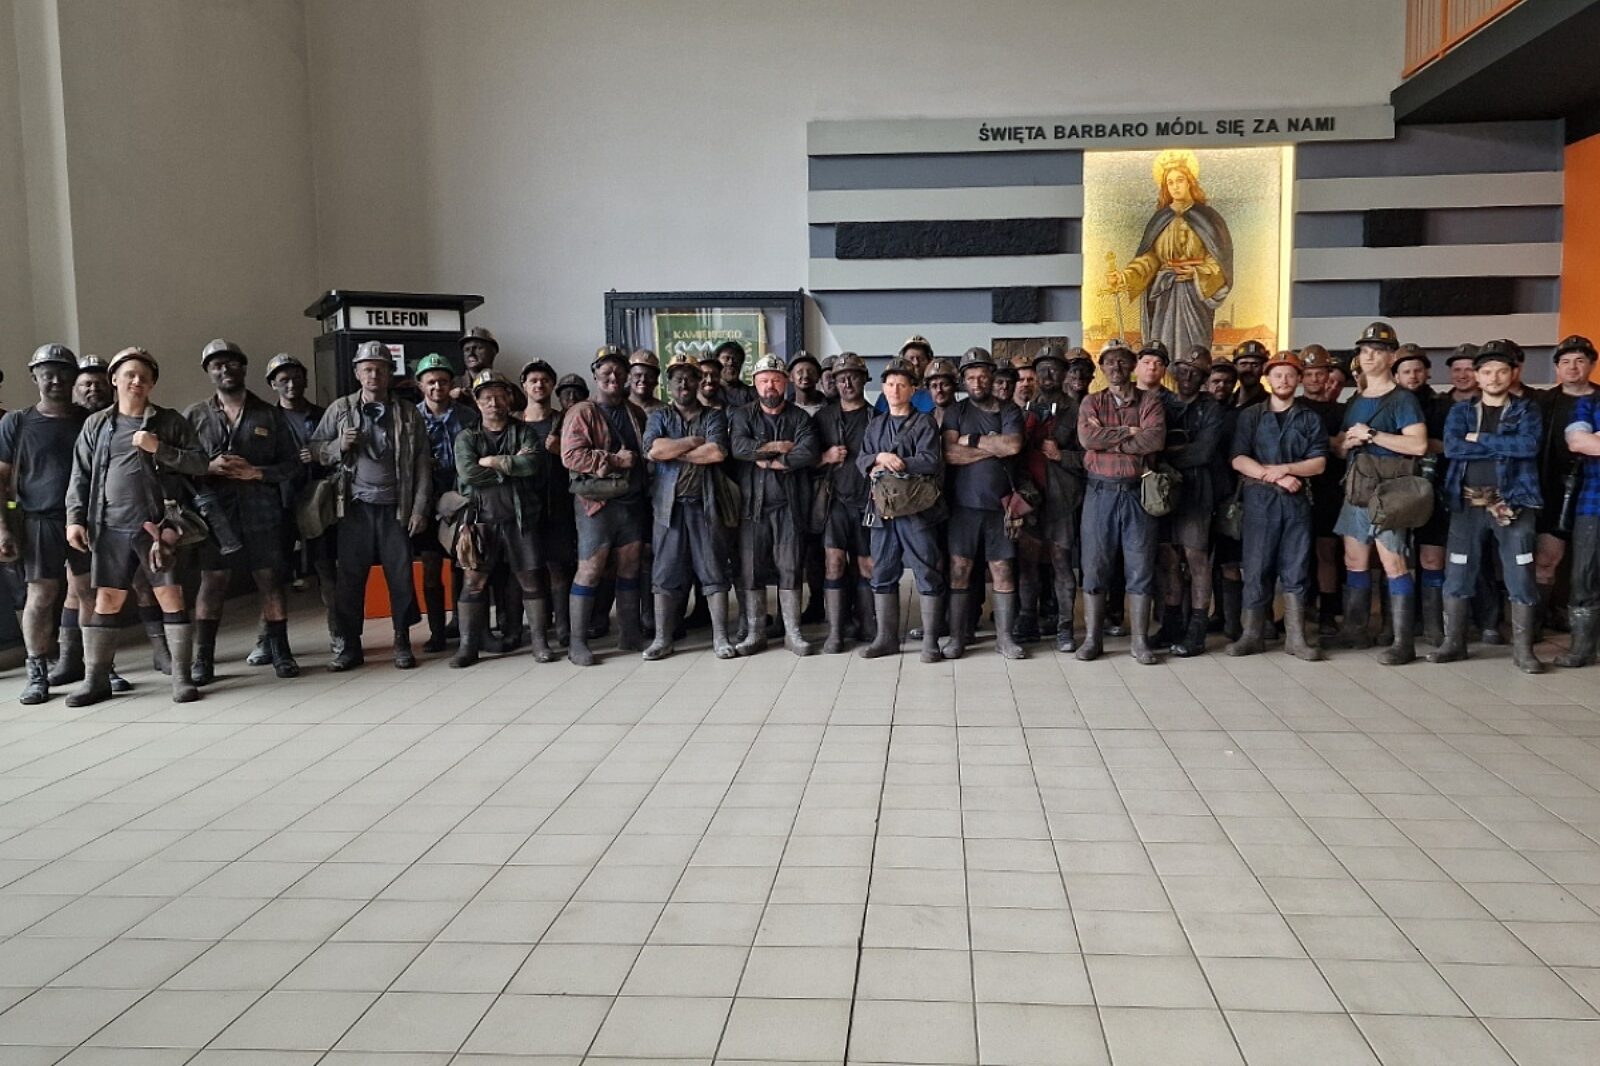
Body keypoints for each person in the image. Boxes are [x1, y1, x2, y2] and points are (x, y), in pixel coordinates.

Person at [64, 347, 210, 704]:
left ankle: (181, 678)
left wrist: (159, 448)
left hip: (157, 527)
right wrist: (74, 519)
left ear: (152, 384)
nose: (137, 381)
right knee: (107, 599)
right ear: (114, 379)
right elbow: (80, 474)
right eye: (129, 374)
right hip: (109, 526)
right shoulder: (97, 424)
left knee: (170, 595)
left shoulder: (169, 421)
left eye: (144, 377)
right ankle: (96, 679)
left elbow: (199, 463)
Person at [184, 339, 303, 683]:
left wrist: (258, 473)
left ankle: (280, 651)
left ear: (243, 367)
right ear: (208, 372)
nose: (225, 370)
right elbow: (178, 464)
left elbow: (292, 464)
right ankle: (203, 659)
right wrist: (208, 467)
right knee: (213, 582)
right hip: (216, 515)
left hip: (261, 511)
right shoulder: (194, 416)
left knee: (270, 580)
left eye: (231, 363)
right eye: (217, 365)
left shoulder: (269, 414)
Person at [311, 340, 432, 671]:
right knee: (350, 580)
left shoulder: (407, 413)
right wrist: (338, 445)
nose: (373, 375)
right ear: (357, 373)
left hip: (396, 508)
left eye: (380, 369)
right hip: (354, 508)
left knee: (400, 577)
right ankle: (350, 645)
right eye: (367, 369)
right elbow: (315, 449)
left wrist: (419, 508)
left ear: (390, 373)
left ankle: (402, 641)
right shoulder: (340, 409)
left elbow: (423, 463)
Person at [1425, 341, 1544, 672]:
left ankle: (1524, 651)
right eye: (1487, 371)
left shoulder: (1527, 409)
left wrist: (1478, 438)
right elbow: (1453, 448)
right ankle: (1454, 643)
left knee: (1521, 574)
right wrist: (1502, 445)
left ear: (1513, 373)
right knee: (1458, 572)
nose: (1494, 378)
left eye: (1501, 371)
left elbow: (1529, 446)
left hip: (1514, 503)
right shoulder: (1460, 412)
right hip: (1467, 503)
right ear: (1477, 376)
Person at [1332, 322, 1428, 664]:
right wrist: (1346, 443)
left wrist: (1372, 435)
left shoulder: (1403, 399)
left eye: (1377, 351)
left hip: (1390, 492)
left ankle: (1403, 642)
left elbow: (1418, 445)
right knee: (1354, 560)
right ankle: (1355, 630)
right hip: (1357, 488)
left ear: (1391, 357)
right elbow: (1340, 446)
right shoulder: (1356, 400)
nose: (1369, 357)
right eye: (1364, 351)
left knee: (1394, 563)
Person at [0, 344, 89, 703]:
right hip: (39, 521)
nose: (55, 380)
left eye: (63, 372)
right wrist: (3, 528)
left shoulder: (90, 420)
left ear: (74, 377)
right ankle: (37, 672)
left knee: (90, 593)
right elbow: (1, 479)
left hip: (86, 521)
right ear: (34, 377)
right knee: (40, 595)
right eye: (46, 373)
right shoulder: (16, 423)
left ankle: (99, 666)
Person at [1225, 351, 1328, 659]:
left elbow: (1319, 463)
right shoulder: (1251, 416)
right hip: (1259, 500)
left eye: (1290, 375)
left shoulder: (1309, 418)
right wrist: (1276, 477)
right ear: (1268, 378)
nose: (1284, 380)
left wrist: (1286, 469)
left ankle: (1296, 638)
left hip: (1297, 503)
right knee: (1256, 566)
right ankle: (1252, 635)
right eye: (1278, 374)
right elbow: (1238, 458)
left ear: (1299, 379)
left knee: (1296, 568)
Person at [448, 370, 554, 666]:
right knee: (473, 583)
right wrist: (510, 468)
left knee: (531, 580)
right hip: (480, 521)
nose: (493, 402)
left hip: (521, 519)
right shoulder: (466, 436)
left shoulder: (525, 432)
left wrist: (494, 462)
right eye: (486, 397)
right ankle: (467, 647)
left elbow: (532, 464)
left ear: (509, 399)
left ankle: (540, 643)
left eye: (498, 396)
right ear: (477, 401)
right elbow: (468, 473)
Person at [56, 355, 143, 692]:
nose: (93, 389)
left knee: (105, 591)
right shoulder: (66, 419)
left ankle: (102, 667)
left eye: (99, 383)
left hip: (114, 518)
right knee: (78, 590)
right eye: (85, 384)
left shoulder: (120, 419)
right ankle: (74, 662)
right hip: (71, 516)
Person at [1076, 340, 1166, 663]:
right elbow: (1087, 438)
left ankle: (1139, 642)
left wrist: (1109, 439)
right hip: (1099, 492)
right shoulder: (1091, 401)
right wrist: (1130, 432)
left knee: (1140, 565)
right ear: (1102, 367)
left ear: (1133, 366)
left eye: (1123, 361)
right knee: (1095, 565)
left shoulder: (1149, 401)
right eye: (1110, 362)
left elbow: (1154, 439)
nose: (1116, 367)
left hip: (1136, 493)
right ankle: (1093, 639)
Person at [560, 344, 651, 666]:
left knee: (630, 566)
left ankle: (629, 634)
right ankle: (577, 643)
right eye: (606, 371)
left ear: (626, 375)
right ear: (595, 374)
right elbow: (570, 456)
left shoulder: (634, 412)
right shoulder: (582, 412)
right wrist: (613, 460)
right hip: (595, 505)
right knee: (590, 569)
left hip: (630, 502)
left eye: (618, 371)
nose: (613, 376)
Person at [641, 352, 735, 660]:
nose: (683, 384)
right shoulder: (659, 416)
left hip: (705, 505)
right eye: (677, 379)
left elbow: (716, 453)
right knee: (664, 574)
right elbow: (653, 450)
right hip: (667, 508)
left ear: (698, 382)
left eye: (689, 378)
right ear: (669, 384)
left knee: (714, 571)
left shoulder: (713, 416)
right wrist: (693, 443)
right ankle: (662, 639)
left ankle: (720, 638)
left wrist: (674, 451)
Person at [729, 354, 821, 656]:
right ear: (755, 384)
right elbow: (739, 448)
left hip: (789, 507)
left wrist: (769, 462)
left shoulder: (800, 418)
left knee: (790, 567)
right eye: (764, 380)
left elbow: (808, 451)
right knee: (751, 568)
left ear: (786, 383)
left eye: (776, 380)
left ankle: (793, 633)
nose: (770, 386)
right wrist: (778, 447)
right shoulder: (742, 415)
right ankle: (755, 633)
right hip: (752, 508)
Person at [858, 357, 946, 663]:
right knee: (882, 571)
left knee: (926, 571)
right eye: (890, 384)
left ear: (912, 390)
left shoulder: (924, 422)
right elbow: (861, 459)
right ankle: (886, 638)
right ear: (883, 388)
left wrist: (899, 462)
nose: (895, 390)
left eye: (902, 385)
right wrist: (878, 458)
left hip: (916, 510)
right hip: (882, 510)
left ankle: (931, 642)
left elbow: (931, 461)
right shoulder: (875, 424)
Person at [1104, 150, 1233, 358]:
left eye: (1179, 180)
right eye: (1170, 183)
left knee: (1195, 348)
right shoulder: (1160, 219)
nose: (1175, 186)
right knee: (1162, 346)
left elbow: (1219, 260)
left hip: (1195, 294)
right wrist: (1124, 277)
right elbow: (1150, 258)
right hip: (1165, 293)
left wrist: (1197, 273)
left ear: (1190, 182)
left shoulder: (1208, 218)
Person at [940, 347, 1026, 660]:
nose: (977, 382)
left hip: (1001, 506)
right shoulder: (956, 411)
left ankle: (1005, 638)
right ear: (963, 381)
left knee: (1002, 569)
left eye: (983, 376)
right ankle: (957, 637)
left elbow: (1013, 446)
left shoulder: (1009, 410)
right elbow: (949, 453)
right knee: (959, 569)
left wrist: (972, 440)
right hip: (962, 506)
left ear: (992, 377)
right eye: (971, 377)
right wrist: (993, 447)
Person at [263, 353, 337, 660]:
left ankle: (339, 634)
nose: (291, 385)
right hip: (278, 505)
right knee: (272, 575)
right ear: (273, 384)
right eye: (283, 380)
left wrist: (320, 455)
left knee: (327, 569)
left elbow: (339, 451)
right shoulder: (265, 418)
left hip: (317, 503)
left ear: (306, 379)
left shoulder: (324, 415)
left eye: (296, 378)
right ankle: (268, 640)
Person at [1154, 343, 1223, 656]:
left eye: (1195, 373)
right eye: (1183, 370)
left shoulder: (1211, 408)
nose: (1188, 377)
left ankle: (1196, 629)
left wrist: (1167, 455)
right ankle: (1171, 624)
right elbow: (1152, 442)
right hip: (1165, 492)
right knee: (1169, 559)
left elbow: (1203, 452)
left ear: (1204, 378)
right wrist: (1172, 452)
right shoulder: (1165, 403)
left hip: (1196, 492)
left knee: (1196, 559)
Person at [1021, 344, 1087, 652]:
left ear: (1065, 374)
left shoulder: (1078, 410)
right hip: (1031, 497)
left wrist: (1062, 456)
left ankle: (1064, 626)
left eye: (1055, 369)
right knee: (1029, 563)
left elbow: (1090, 457)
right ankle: (1027, 619)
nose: (1048, 374)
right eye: (1043, 369)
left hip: (1062, 498)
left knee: (1061, 562)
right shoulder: (1025, 408)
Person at [812, 353, 876, 653]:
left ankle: (868, 625)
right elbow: (804, 459)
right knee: (834, 563)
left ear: (864, 380)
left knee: (866, 565)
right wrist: (825, 457)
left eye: (853, 377)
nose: (847, 383)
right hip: (834, 502)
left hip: (868, 502)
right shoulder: (823, 418)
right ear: (834, 383)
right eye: (841, 379)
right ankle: (836, 631)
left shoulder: (876, 418)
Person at [1534, 336, 1597, 632]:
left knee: (1588, 564)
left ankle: (1581, 626)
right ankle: (1537, 622)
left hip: (1593, 491)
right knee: (1546, 559)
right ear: (1557, 367)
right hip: (1552, 490)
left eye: (1580, 361)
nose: (1572, 367)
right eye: (1566, 362)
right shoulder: (1543, 402)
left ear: (1592, 365)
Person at [414, 353, 476, 652]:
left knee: (464, 562)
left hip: (461, 500)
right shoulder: (411, 418)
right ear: (420, 385)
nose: (437, 387)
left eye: (442, 381)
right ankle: (436, 631)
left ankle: (464, 626)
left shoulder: (468, 417)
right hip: (426, 501)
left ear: (451, 383)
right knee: (430, 565)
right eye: (431, 382)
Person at [1393, 344, 1452, 647]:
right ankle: (1397, 625)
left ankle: (1432, 626)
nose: (1413, 376)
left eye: (1418, 370)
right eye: (1406, 371)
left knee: (1431, 556)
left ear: (1427, 372)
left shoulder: (1442, 405)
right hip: (1394, 488)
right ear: (1396, 375)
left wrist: (1415, 443)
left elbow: (1450, 445)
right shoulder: (1388, 403)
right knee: (1395, 557)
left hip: (1434, 487)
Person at [520, 358, 576, 648]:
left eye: (544, 380)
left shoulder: (564, 420)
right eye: (533, 380)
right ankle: (536, 631)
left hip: (558, 505)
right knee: (529, 569)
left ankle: (564, 627)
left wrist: (560, 451)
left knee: (559, 568)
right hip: (523, 508)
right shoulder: (515, 422)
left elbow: (580, 456)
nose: (539, 385)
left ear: (553, 385)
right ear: (524, 386)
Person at [1299, 345, 1349, 636]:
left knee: (1326, 551)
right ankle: (1298, 610)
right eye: (1309, 374)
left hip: (1330, 487)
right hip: (1297, 486)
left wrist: (1319, 439)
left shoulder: (1341, 411)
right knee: (1297, 553)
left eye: (1320, 374)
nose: (1315, 379)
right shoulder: (1293, 406)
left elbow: (1343, 448)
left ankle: (1328, 612)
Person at [1560, 376, 1600, 668]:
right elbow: (1577, 441)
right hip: (1593, 504)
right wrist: (1589, 440)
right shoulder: (1588, 404)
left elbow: (1591, 443)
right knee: (1584, 577)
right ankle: (1582, 649)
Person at [875, 336, 937, 414]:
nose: (916, 363)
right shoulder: (889, 394)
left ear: (929, 362)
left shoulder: (937, 393)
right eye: (911, 358)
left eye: (921, 359)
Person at [714, 340, 757, 409]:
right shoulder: (709, 392)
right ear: (716, 362)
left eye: (735, 359)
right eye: (726, 358)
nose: (731, 363)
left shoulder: (751, 394)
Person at [628, 348, 665, 416]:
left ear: (656, 381)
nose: (643, 379)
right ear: (629, 377)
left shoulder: (666, 412)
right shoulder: (619, 408)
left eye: (649, 376)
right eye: (638, 375)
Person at [923, 359, 959, 426]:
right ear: (929, 390)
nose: (939, 390)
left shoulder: (967, 416)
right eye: (934, 386)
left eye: (945, 384)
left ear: (955, 386)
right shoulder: (925, 421)